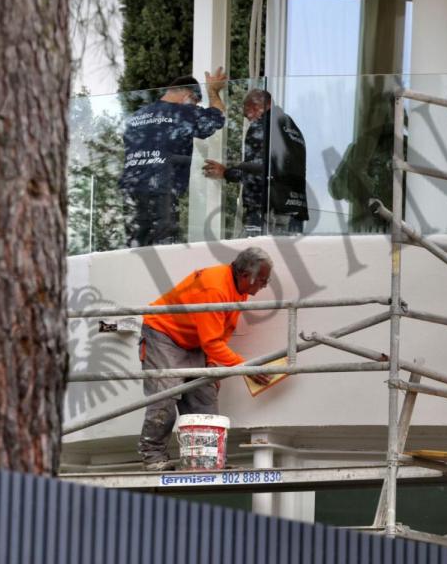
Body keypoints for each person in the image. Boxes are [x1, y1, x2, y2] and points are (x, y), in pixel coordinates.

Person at [137, 247, 273, 471]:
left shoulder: (238, 289)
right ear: (246, 275)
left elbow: (220, 333)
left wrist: (210, 363)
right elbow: (212, 342)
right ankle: (153, 458)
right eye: (263, 280)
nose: (263, 286)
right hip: (164, 334)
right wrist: (245, 368)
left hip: (194, 342)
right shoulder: (215, 287)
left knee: (204, 398)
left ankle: (206, 461)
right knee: (165, 396)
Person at [118, 69, 228, 247]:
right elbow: (217, 118)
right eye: (195, 101)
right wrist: (213, 92)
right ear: (187, 94)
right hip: (161, 192)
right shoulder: (181, 112)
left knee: (137, 250)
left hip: (131, 194)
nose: (195, 106)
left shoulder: (136, 117)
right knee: (165, 251)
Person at [203, 89, 309, 235]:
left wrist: (226, 172)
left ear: (255, 107)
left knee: (254, 256)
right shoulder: (292, 128)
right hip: (295, 209)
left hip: (266, 209)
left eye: (248, 115)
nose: (249, 119)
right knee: (285, 257)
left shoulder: (262, 126)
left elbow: (257, 170)